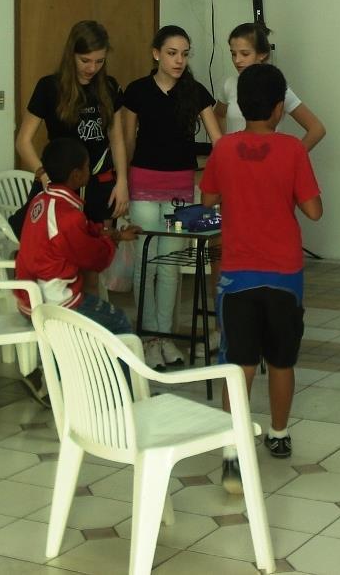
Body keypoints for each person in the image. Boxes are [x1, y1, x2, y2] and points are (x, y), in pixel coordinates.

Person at [200, 64, 322, 491]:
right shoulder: (293, 150)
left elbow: (208, 197)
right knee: (282, 359)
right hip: (285, 273)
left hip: (237, 272)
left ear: (239, 104)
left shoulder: (224, 149)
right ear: (278, 109)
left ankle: (232, 451)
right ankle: (279, 433)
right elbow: (313, 211)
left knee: (239, 362)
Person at [122, 26, 222, 370]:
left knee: (170, 265)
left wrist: (210, 176)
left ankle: (165, 337)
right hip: (143, 182)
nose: (179, 60)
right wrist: (122, 182)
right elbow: (128, 141)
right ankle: (148, 338)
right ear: (156, 54)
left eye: (184, 54)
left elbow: (219, 140)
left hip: (180, 186)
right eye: (172, 53)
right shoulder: (137, 90)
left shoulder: (194, 91)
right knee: (146, 261)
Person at [13, 138, 140, 331]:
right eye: (87, 166)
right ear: (76, 175)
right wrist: (113, 241)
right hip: (54, 302)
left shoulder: (41, 200)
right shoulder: (67, 215)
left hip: (28, 299)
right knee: (119, 321)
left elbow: (82, 232)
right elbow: (93, 258)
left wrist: (115, 235)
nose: (90, 170)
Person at [14, 21, 128, 229]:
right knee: (48, 239)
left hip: (98, 183)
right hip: (58, 182)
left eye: (99, 61)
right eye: (85, 60)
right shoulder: (49, 87)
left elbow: (117, 141)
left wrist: (122, 182)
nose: (92, 68)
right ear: (71, 55)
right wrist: (43, 175)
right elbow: (23, 141)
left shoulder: (110, 87)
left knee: (100, 243)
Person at [216, 21, 326, 149]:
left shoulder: (275, 87)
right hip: (236, 158)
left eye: (245, 54)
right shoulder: (229, 85)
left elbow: (317, 129)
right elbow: (218, 115)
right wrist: (222, 145)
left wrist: (292, 157)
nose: (237, 60)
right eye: (233, 54)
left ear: (262, 54)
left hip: (269, 158)